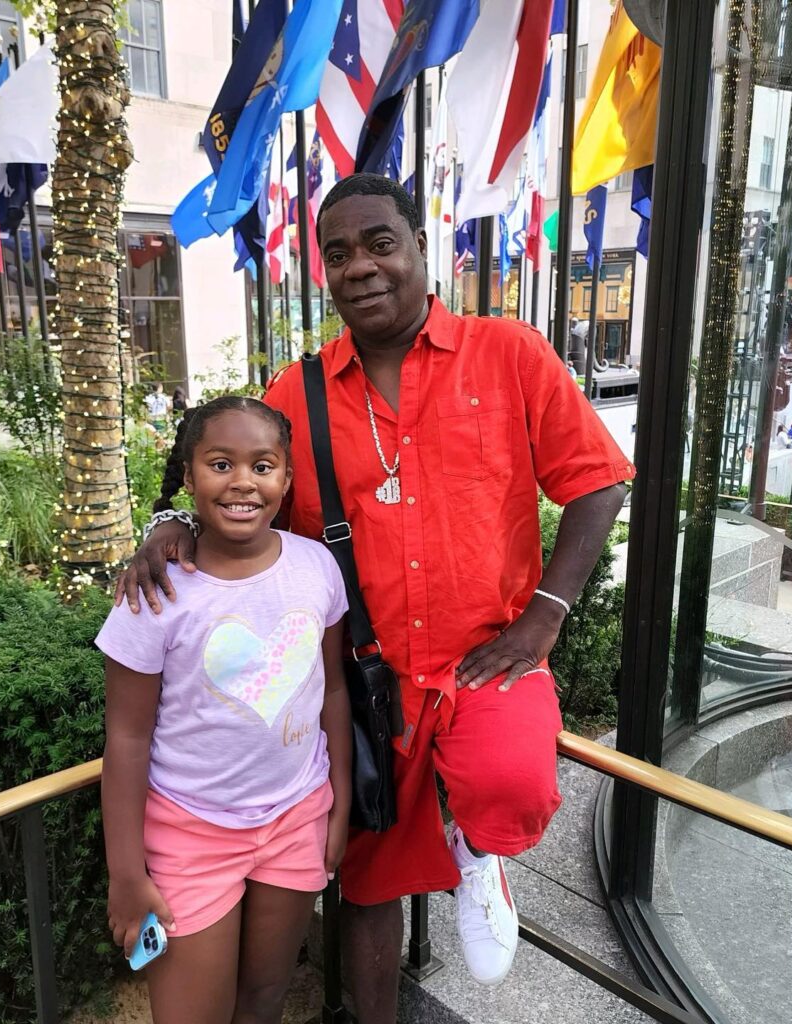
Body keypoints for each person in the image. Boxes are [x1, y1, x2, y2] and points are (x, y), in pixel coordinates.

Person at [117, 175, 633, 1019]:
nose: (360, 266)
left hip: (483, 659)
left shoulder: (509, 354)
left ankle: (479, 846)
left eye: (380, 244)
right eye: (338, 252)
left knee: (512, 781)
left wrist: (547, 614)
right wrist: (170, 519)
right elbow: (226, 465)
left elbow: (600, 480)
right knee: (364, 885)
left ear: (423, 248)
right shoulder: (302, 391)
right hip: (367, 687)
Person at [97, 396, 352, 1024]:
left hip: (297, 818)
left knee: (264, 998)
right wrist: (126, 875)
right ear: (188, 477)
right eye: (220, 463)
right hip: (191, 835)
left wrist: (339, 801)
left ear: (286, 481)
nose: (243, 481)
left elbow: (335, 691)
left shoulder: (316, 567)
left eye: (263, 466)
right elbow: (126, 740)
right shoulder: (155, 595)